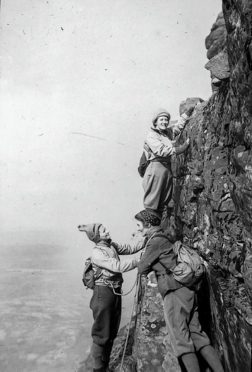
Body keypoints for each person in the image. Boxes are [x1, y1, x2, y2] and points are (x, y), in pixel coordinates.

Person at [134, 209, 224, 372]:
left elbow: (142, 268)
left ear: (147, 225)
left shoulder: (155, 241)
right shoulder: (166, 237)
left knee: (181, 340)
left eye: (139, 225)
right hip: (188, 290)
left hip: (174, 292)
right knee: (197, 335)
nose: (138, 229)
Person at [78, 223, 144, 372]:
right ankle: (98, 368)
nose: (107, 231)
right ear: (96, 236)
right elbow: (117, 266)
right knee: (102, 335)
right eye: (103, 231)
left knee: (112, 331)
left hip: (113, 292)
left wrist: (145, 240)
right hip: (103, 294)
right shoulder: (97, 253)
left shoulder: (111, 246)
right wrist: (138, 261)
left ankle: (105, 366)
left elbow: (129, 248)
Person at [142, 108, 194, 218]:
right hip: (156, 169)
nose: (164, 122)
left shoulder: (166, 134)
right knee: (153, 201)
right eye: (161, 119)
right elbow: (161, 151)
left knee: (163, 202)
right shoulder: (152, 135)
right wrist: (181, 148)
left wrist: (186, 114)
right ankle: (149, 228)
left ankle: (158, 228)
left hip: (166, 169)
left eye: (166, 120)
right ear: (155, 122)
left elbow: (177, 128)